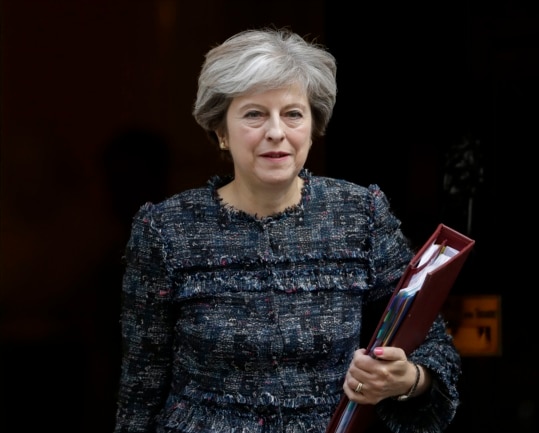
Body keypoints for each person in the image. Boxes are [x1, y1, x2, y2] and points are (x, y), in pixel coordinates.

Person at [113, 27, 461, 433]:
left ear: (313, 126)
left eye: (293, 113)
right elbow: (141, 384)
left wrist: (410, 380)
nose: (276, 131)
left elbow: (433, 345)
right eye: (254, 114)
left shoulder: (359, 214)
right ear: (221, 131)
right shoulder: (166, 228)